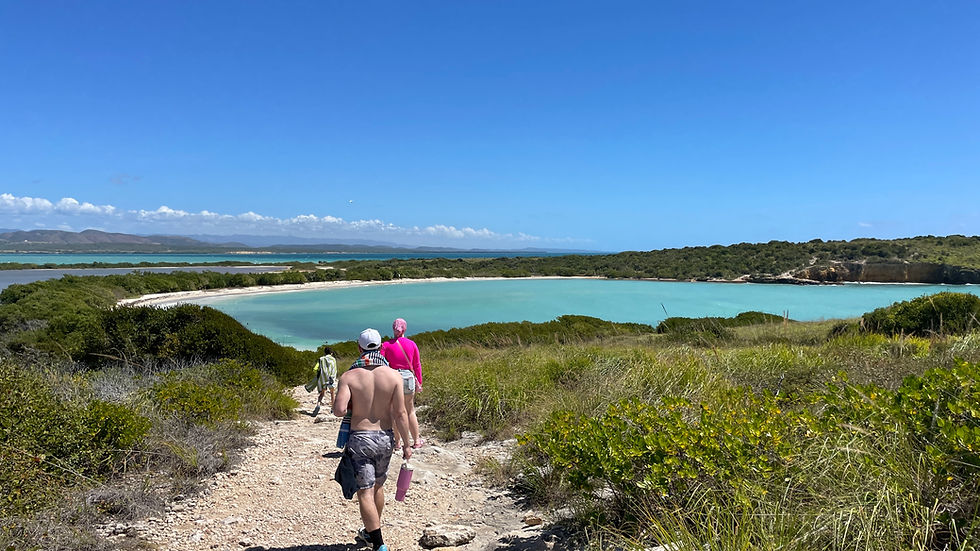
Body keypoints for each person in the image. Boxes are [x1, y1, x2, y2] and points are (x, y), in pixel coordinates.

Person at [333, 328, 412, 551]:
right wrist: (406, 444)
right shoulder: (393, 375)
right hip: (385, 438)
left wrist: (350, 404)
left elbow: (339, 410)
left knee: (365, 491)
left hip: (360, 439)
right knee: (378, 487)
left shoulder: (349, 376)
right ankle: (370, 532)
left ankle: (379, 545)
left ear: (359, 349)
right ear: (380, 348)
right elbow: (401, 414)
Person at [380, 318, 424, 448]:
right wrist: (419, 382)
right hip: (409, 378)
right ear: (405, 329)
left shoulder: (386, 345)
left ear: (393, 328)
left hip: (393, 379)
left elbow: (381, 364)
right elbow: (417, 365)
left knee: (395, 412)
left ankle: (398, 442)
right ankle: (416, 441)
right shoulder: (412, 344)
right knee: (410, 410)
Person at [308, 346, 337, 417]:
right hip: (331, 379)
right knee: (332, 393)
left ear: (324, 352)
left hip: (323, 378)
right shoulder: (333, 359)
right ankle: (333, 408)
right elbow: (334, 369)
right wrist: (333, 377)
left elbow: (315, 368)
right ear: (331, 353)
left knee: (322, 393)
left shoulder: (321, 359)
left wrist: (317, 373)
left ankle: (318, 404)